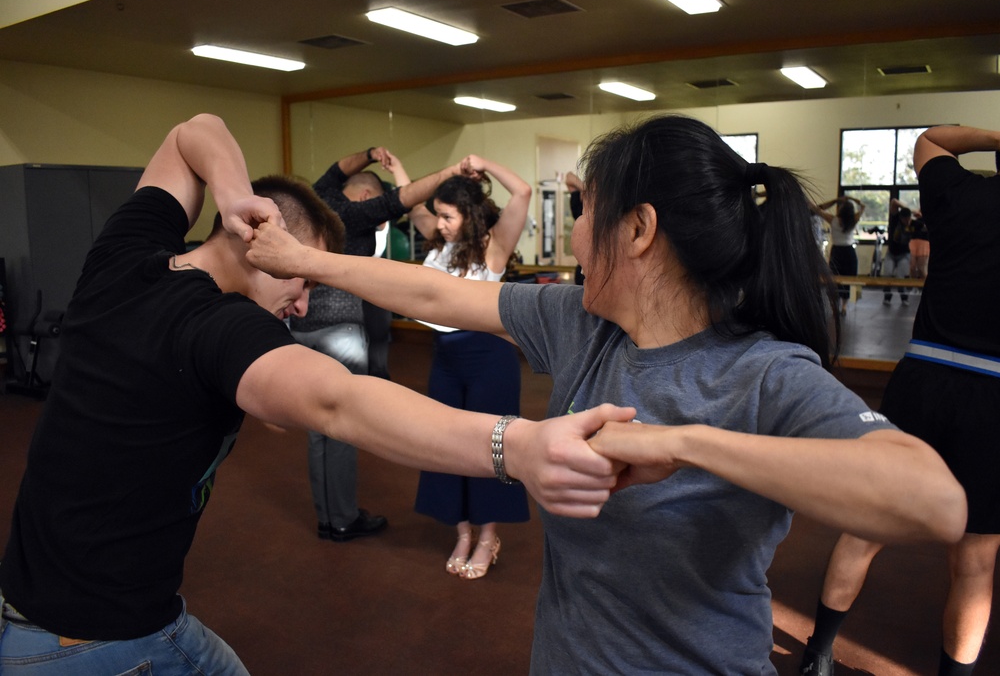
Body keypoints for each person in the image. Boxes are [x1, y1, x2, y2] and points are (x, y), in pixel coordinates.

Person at [247, 114, 966, 673]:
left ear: (641, 229)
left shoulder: (765, 372)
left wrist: (681, 443)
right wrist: (304, 258)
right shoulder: (581, 323)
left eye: (586, 210)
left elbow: (934, 500)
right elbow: (434, 289)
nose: (577, 230)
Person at [0, 113, 636, 676]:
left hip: (27, 608)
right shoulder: (218, 327)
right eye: (299, 281)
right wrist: (518, 446)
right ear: (264, 251)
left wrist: (233, 200)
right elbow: (340, 401)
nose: (303, 304)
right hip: (102, 642)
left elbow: (193, 131)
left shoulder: (124, 256)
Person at [799, 124, 1000, 676]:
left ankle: (817, 657)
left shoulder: (961, 195)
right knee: (976, 563)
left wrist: (996, 136)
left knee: (866, 528)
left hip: (926, 378)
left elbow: (932, 139)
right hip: (995, 395)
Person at [291, 145, 463, 542]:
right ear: (367, 196)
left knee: (317, 429)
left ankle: (328, 516)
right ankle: (344, 519)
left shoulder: (320, 198)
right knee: (342, 425)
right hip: (340, 330)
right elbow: (406, 199)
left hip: (302, 327)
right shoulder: (357, 214)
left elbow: (337, 166)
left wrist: (369, 154)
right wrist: (450, 169)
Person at [403, 155, 531, 579]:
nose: (439, 222)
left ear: (469, 214)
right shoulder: (439, 245)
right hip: (445, 357)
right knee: (444, 443)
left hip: (487, 358)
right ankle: (461, 532)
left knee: (489, 449)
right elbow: (413, 204)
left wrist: (486, 164)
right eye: (438, 215)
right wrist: (404, 172)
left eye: (448, 216)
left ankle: (487, 535)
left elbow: (522, 192)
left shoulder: (492, 248)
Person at [811, 196, 865, 315]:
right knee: (847, 279)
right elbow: (863, 206)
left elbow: (817, 210)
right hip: (849, 251)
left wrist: (836, 200)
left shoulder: (833, 220)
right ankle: (844, 306)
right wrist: (853, 198)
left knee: (835, 278)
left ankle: (836, 304)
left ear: (840, 209)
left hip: (837, 251)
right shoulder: (854, 220)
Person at [882, 199, 913, 305]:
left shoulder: (913, 224)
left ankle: (904, 298)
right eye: (906, 219)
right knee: (887, 274)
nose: (907, 222)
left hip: (904, 255)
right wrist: (910, 209)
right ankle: (887, 297)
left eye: (909, 219)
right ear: (901, 218)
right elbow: (894, 201)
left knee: (900, 277)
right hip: (891, 253)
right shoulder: (895, 219)